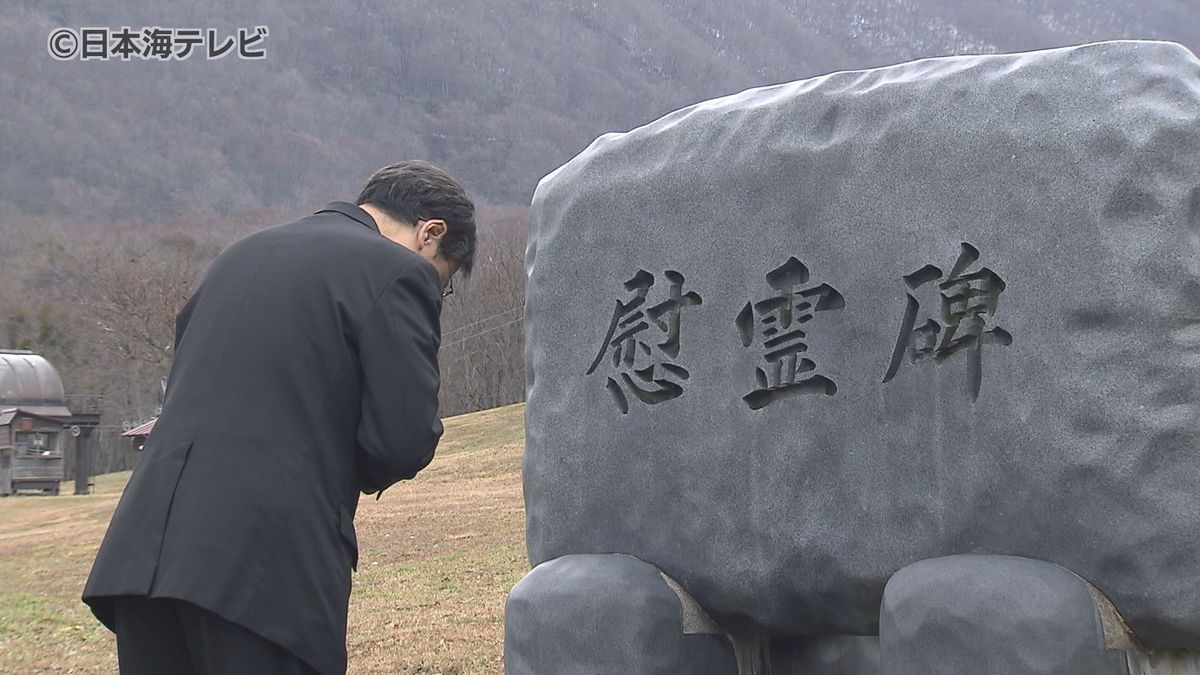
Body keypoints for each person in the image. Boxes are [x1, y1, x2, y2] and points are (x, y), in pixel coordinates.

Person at [82, 160, 477, 674]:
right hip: (263, 568)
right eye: (442, 281)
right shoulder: (395, 270)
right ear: (431, 233)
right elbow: (400, 440)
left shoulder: (239, 255)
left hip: (144, 557)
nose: (435, 290)